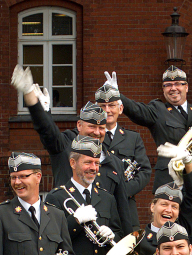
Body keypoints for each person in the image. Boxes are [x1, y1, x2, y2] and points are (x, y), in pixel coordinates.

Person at [10, 66, 133, 233]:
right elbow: (47, 131)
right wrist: (33, 101)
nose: (97, 132)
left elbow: (123, 213)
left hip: (103, 243)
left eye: (101, 128)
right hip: (68, 237)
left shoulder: (114, 163)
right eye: (91, 127)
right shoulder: (65, 146)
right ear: (79, 125)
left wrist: (126, 243)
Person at [114, 66, 192, 189]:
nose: (173, 88)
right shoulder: (157, 109)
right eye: (168, 85)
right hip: (169, 180)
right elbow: (136, 110)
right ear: (163, 89)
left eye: (178, 84)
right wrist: (117, 95)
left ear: (186, 87)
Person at [96, 78, 151, 227]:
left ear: (120, 109)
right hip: (97, 208)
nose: (107, 110)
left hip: (126, 209)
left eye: (112, 105)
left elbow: (145, 171)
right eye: (102, 106)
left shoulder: (133, 138)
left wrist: (122, 191)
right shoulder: (89, 137)